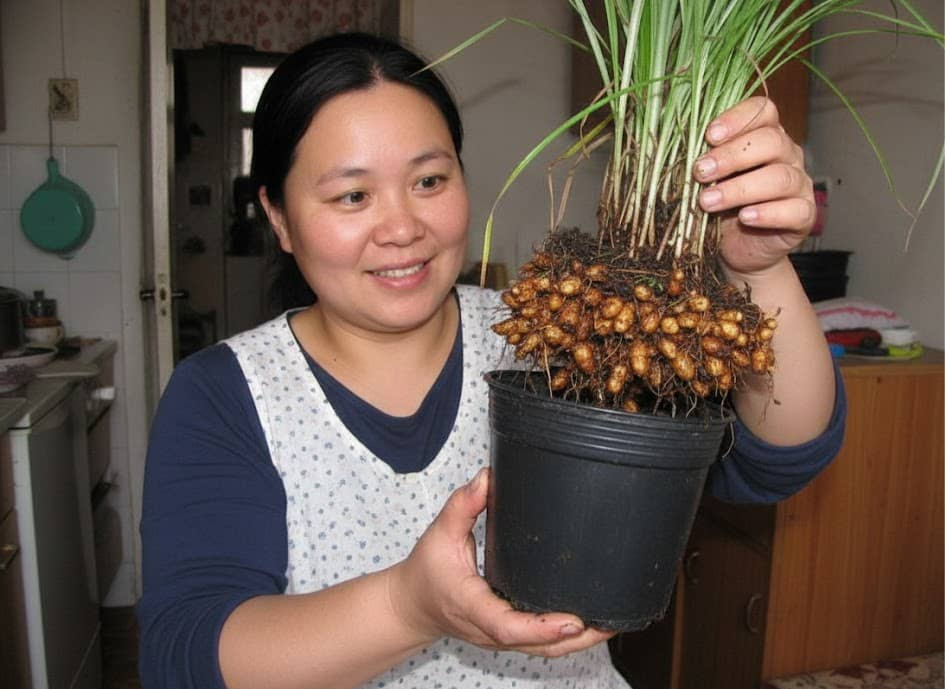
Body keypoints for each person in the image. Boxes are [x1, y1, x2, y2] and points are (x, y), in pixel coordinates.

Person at [137, 32, 845, 689]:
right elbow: (186, 655)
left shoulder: (549, 331)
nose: (402, 228)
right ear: (279, 218)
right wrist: (407, 605)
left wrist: (760, 268)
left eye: (429, 181)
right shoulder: (228, 394)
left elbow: (774, 458)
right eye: (352, 195)